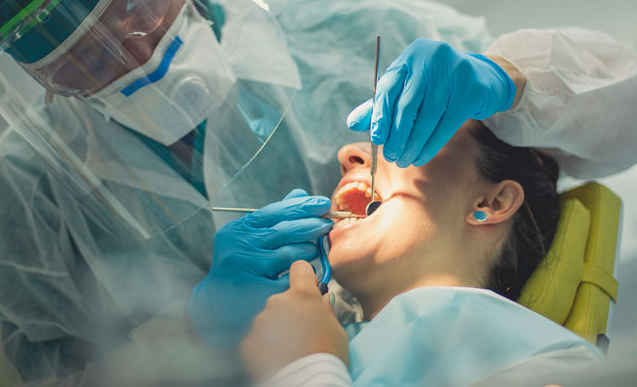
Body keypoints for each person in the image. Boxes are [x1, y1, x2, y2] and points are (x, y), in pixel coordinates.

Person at [0, 0, 637, 384]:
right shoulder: (29, 198)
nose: (127, 49)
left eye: (130, 5)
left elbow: (619, 112)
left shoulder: (340, 32)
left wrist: (505, 80)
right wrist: (195, 330)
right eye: (81, 55)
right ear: (29, 71)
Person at [241, 121, 597, 386]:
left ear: (491, 203)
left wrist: (306, 370)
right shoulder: (329, 340)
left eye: (410, 133)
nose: (348, 154)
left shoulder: (536, 358)